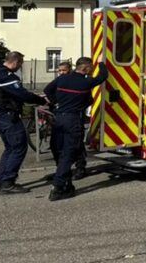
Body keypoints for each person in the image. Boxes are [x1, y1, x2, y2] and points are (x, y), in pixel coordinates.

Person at [44, 54, 107, 201]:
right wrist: (101, 63)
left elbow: (47, 90)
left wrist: (56, 102)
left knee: (59, 150)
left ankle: (66, 182)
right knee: (69, 152)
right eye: (91, 68)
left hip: (59, 118)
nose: (92, 70)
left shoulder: (62, 78)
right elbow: (103, 76)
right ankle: (59, 187)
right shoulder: (85, 82)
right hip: (73, 119)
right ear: (86, 68)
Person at [0, 51, 47, 194]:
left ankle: (1, 182)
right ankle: (7, 182)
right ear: (15, 62)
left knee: (10, 149)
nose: (20, 67)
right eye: (20, 64)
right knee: (19, 147)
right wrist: (41, 100)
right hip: (7, 117)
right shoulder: (6, 76)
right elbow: (22, 94)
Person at [45, 61, 89, 180]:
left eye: (64, 70)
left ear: (70, 70)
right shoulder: (60, 81)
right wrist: (55, 102)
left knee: (76, 145)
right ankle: (62, 170)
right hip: (59, 116)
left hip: (73, 117)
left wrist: (77, 106)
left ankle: (80, 168)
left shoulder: (77, 82)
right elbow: (48, 90)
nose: (61, 73)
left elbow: (88, 99)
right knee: (56, 145)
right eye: (59, 71)